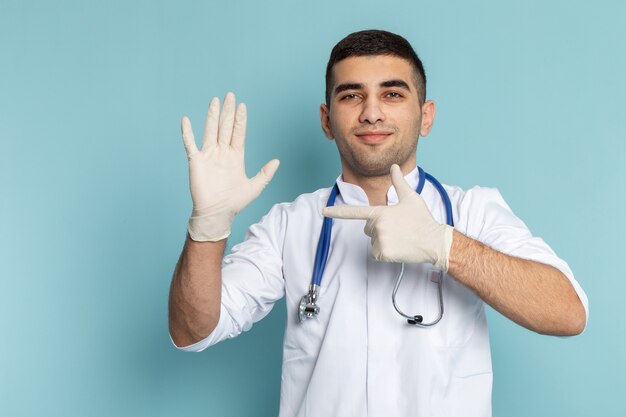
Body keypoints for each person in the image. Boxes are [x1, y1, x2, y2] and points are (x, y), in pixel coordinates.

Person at [168, 30, 588, 417]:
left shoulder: (472, 211)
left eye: (392, 94)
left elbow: (568, 313)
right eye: (351, 96)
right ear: (326, 120)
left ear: (426, 116)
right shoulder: (290, 225)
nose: (371, 113)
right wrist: (208, 227)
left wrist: (444, 246)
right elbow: (192, 330)